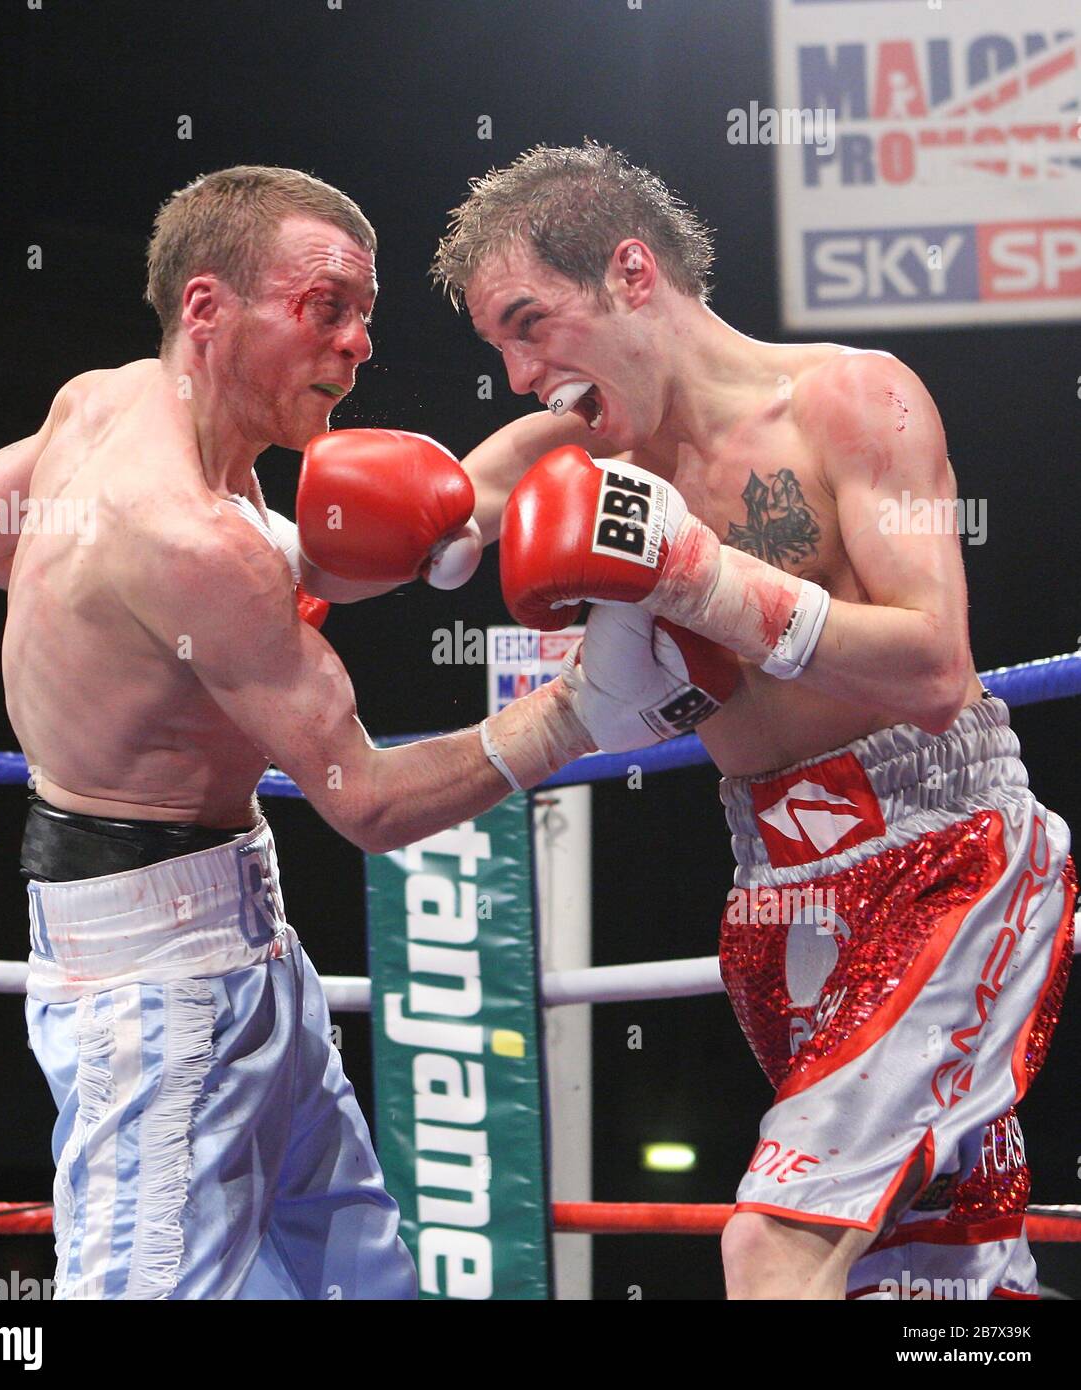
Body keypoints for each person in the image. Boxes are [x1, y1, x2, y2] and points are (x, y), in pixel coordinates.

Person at [0, 165, 647, 1300]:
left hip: (239, 936)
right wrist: (580, 712)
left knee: (354, 1281)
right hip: (153, 993)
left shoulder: (106, 401)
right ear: (207, 309)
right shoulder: (196, 543)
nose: (358, 345)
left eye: (365, 316)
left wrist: (154, 607)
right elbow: (363, 800)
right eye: (327, 309)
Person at [431, 141, 1076, 1300]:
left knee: (772, 1243)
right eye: (502, 347)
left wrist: (705, 580)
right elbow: (422, 509)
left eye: (531, 324)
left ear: (631, 273)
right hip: (772, 890)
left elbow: (934, 665)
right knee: (928, 1274)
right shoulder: (577, 449)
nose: (523, 375)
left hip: (945, 856)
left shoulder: (847, 397)